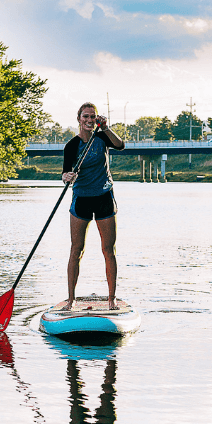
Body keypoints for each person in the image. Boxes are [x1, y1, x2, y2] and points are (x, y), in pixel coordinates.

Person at [61, 102, 125, 310]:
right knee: (76, 250)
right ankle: (70, 300)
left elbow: (120, 145)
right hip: (81, 199)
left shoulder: (102, 137)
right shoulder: (71, 145)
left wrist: (105, 127)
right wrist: (67, 176)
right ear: (78, 119)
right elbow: (65, 173)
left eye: (92, 117)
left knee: (109, 250)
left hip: (104, 197)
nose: (89, 120)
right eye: (85, 117)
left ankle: (112, 299)